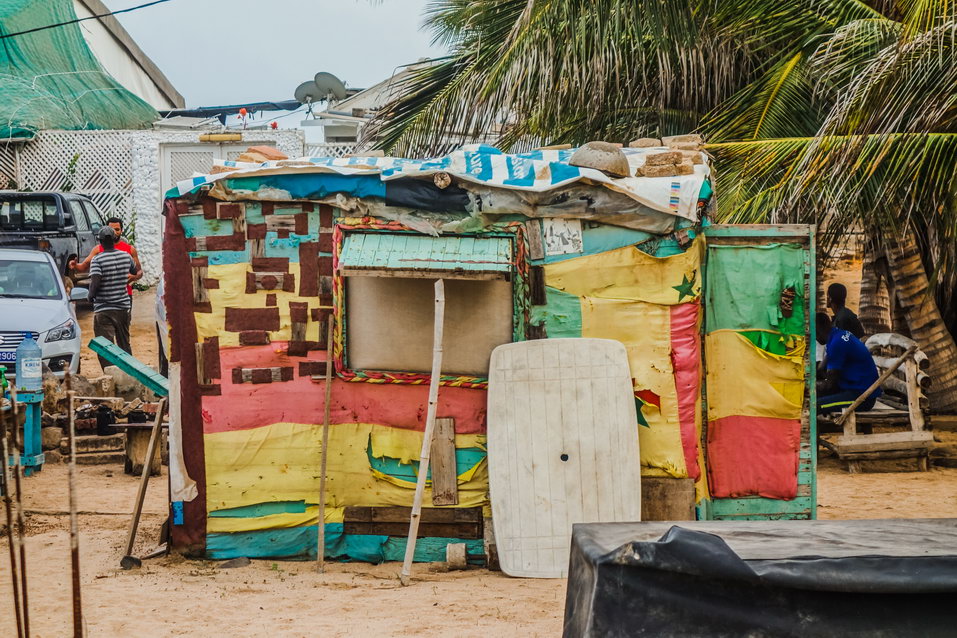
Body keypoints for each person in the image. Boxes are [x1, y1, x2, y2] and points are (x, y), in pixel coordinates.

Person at [88, 226, 136, 370]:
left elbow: (95, 283)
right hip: (122, 307)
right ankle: (129, 373)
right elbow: (134, 271)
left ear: (100, 241)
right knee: (124, 343)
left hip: (104, 309)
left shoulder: (97, 260)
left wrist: (90, 296)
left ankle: (110, 374)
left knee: (105, 345)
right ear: (115, 239)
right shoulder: (126, 256)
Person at [816, 312, 881, 414]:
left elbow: (830, 384)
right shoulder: (837, 335)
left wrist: (812, 386)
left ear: (818, 330)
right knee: (815, 395)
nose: (814, 337)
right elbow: (821, 368)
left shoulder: (836, 343)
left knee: (814, 405)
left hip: (862, 398)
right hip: (852, 389)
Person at [69, 216, 143, 299]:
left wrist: (134, 277)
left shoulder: (130, 250)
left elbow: (139, 272)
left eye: (117, 229)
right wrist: (75, 265)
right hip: (104, 297)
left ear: (121, 230)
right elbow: (83, 267)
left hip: (124, 296)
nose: (114, 232)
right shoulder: (98, 249)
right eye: (111, 229)